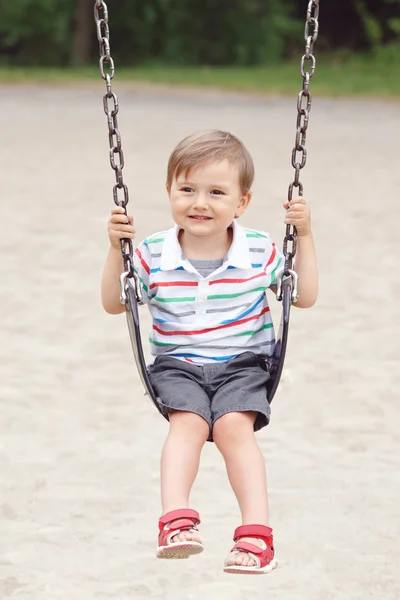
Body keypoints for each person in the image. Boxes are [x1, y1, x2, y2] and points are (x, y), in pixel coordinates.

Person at [101, 130, 318, 575]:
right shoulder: (151, 252)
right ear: (169, 193)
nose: (200, 202)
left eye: (217, 192)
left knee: (234, 427)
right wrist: (113, 250)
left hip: (244, 364)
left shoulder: (258, 248)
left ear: (242, 202)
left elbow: (305, 296)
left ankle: (256, 535)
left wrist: (306, 236)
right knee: (189, 424)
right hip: (178, 364)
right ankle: (176, 522)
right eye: (187, 190)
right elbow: (113, 303)